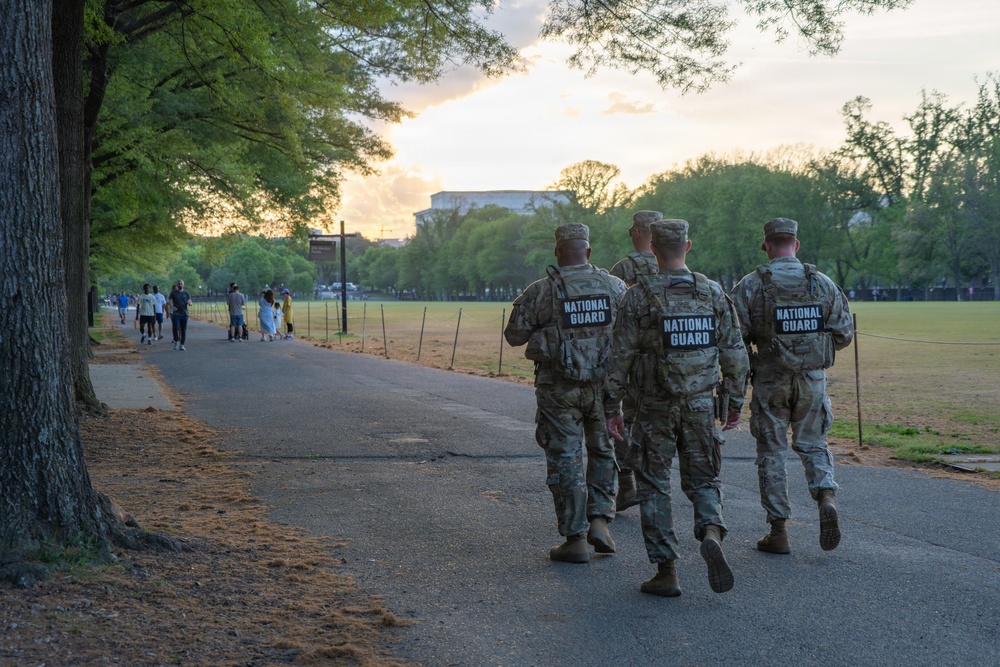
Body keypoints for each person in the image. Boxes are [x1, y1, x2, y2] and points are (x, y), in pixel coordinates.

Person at [605, 219, 749, 597]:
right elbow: (736, 355)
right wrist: (734, 403)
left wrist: (611, 406)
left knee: (654, 484)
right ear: (687, 246)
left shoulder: (637, 296)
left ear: (652, 249)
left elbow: (619, 357)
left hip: (653, 407)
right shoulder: (712, 292)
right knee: (704, 478)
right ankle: (711, 530)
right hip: (700, 404)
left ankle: (666, 570)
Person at [503, 223, 627, 564]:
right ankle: (600, 519)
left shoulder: (541, 290)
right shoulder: (614, 286)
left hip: (558, 389)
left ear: (557, 252)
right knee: (602, 450)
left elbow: (514, 336)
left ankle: (575, 539)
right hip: (605, 387)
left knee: (566, 458)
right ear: (588, 251)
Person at [730, 217, 854, 556]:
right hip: (812, 381)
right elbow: (844, 334)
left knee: (771, 452)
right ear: (796, 245)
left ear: (767, 246)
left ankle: (779, 531)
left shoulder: (751, 285)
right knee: (813, 444)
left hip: (771, 383)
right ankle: (825, 495)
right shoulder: (822, 283)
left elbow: (734, 339)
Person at [608, 210, 663, 512]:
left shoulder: (624, 269)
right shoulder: (672, 263)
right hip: (666, 360)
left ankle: (627, 481)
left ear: (639, 233)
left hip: (631, 360)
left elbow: (613, 318)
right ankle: (654, 483)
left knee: (624, 421)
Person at [169, 280, 193, 350]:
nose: (180, 285)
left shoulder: (186, 293)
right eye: (179, 284)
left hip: (184, 314)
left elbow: (190, 301)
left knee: (183, 329)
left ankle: (182, 344)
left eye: (181, 284)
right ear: (177, 285)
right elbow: (170, 301)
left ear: (183, 285)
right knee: (175, 327)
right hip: (176, 313)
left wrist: (190, 303)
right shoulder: (173, 293)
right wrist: (172, 307)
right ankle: (176, 341)